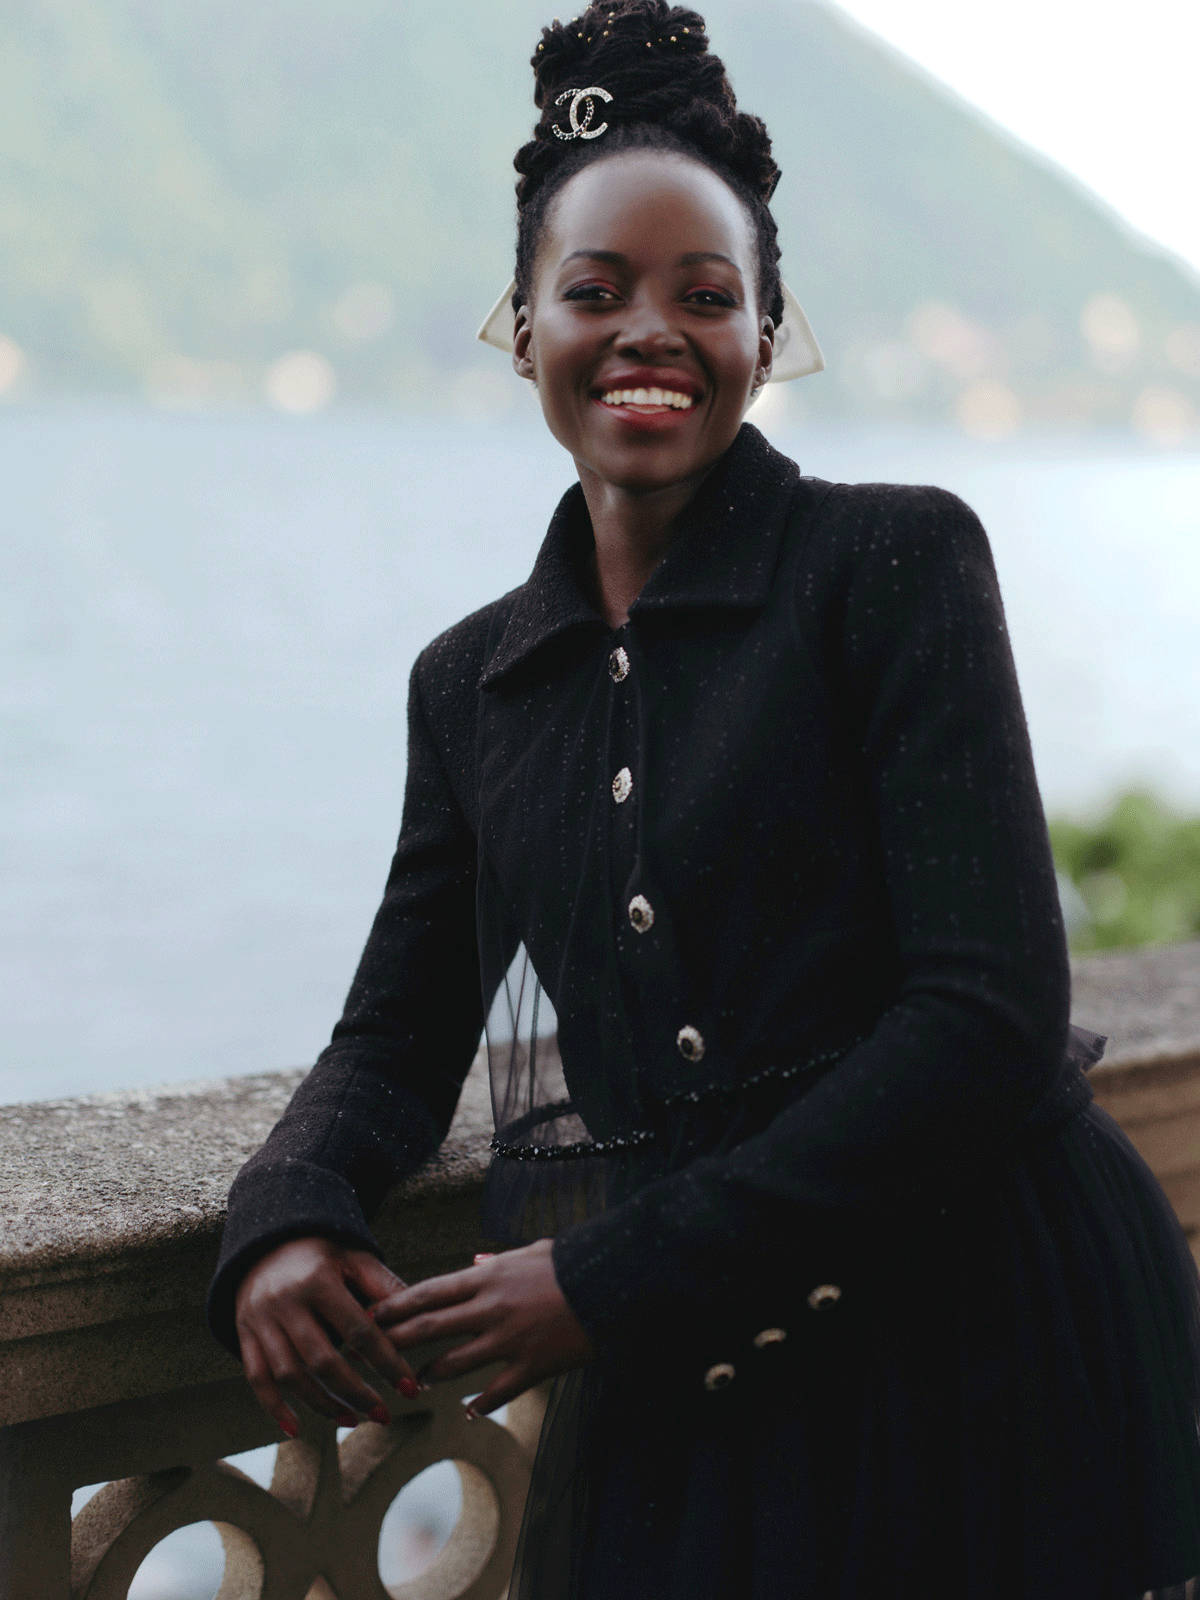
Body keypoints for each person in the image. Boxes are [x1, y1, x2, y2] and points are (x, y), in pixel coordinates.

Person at [207, 2, 1200, 1594]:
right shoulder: (471, 685)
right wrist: (281, 1217)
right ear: (523, 328)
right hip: (705, 1375)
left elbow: (990, 1013)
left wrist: (609, 1277)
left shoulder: (894, 561)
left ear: (767, 329)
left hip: (982, 1335)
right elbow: (396, 1036)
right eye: (591, 291)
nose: (648, 330)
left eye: (707, 294)